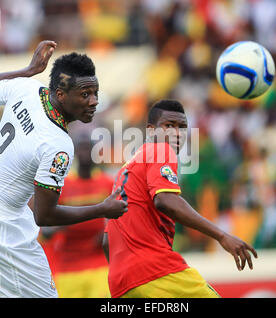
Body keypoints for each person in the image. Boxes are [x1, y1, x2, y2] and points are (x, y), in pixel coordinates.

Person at [0, 41, 127, 298]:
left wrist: (28, 70)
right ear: (61, 94)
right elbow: (44, 216)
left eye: (95, 93)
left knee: (5, 293)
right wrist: (103, 208)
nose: (93, 101)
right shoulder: (58, 145)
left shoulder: (25, 87)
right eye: (85, 94)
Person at [103, 99, 258, 298]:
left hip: (122, 284)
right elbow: (166, 201)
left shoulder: (125, 171)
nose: (176, 133)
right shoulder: (161, 150)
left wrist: (127, 276)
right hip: (156, 272)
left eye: (182, 127)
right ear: (151, 131)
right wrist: (222, 235)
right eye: (169, 126)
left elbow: (106, 241)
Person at [39, 136, 113, 298]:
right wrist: (63, 224)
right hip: (67, 265)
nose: (85, 153)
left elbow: (118, 218)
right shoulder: (62, 185)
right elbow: (45, 227)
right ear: (74, 153)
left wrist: (109, 232)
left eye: (89, 149)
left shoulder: (107, 183)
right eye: (82, 148)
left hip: (98, 262)